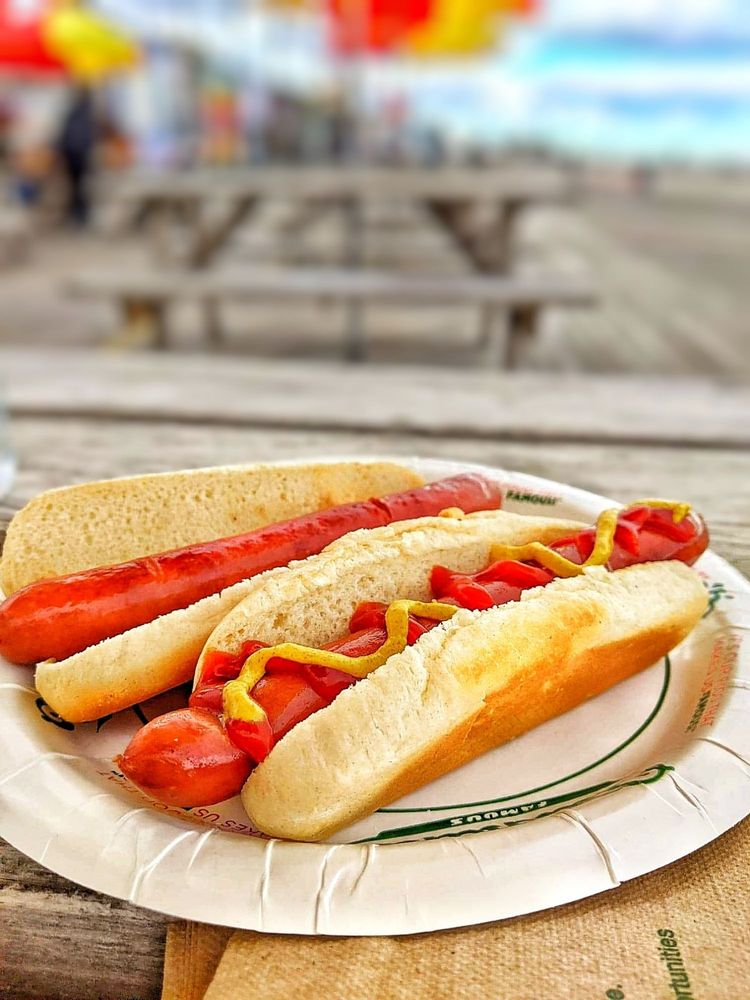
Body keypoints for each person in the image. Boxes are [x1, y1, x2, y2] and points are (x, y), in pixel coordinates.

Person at [56, 85, 96, 226]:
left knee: (79, 187)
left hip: (77, 154)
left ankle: (80, 214)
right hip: (78, 154)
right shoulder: (86, 113)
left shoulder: (81, 113)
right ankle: (80, 214)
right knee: (79, 187)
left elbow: (65, 135)